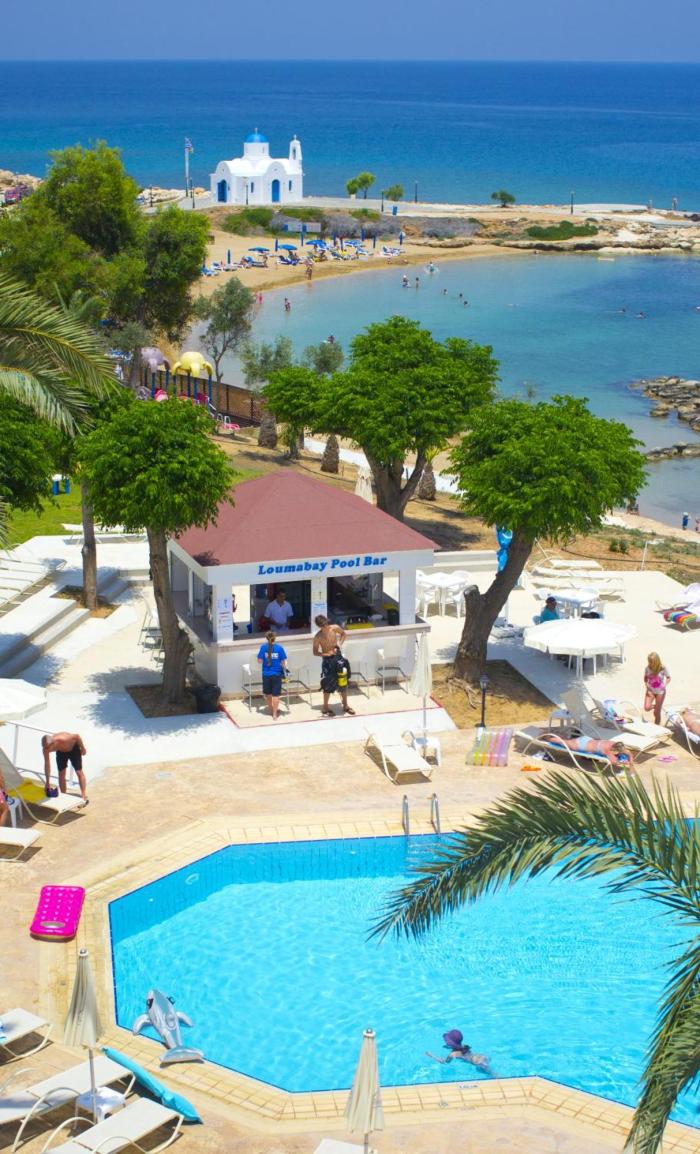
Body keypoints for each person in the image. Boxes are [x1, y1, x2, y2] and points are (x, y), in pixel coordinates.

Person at [312, 615, 355, 717]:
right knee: (328, 684)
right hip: (328, 661)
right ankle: (325, 707)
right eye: (323, 625)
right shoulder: (318, 637)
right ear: (320, 626)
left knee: (343, 681)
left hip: (338, 657)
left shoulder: (334, 628)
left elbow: (343, 634)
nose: (326, 626)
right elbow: (315, 652)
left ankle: (345, 705)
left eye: (326, 624)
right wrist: (326, 654)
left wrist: (339, 644)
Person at [539, 732, 634, 772]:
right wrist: (626, 763)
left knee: (567, 741)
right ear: (615, 749)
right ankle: (545, 737)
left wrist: (631, 763)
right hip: (581, 746)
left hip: (587, 739)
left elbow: (629, 753)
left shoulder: (614, 743)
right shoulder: (608, 750)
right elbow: (615, 762)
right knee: (561, 742)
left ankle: (553, 734)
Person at [42, 732, 88, 802]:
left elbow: (77, 736)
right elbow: (47, 764)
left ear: (53, 743)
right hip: (61, 752)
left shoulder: (63, 739)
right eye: (45, 747)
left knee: (79, 772)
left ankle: (83, 795)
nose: (46, 749)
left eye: (48, 747)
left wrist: (83, 748)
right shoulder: (45, 749)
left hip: (73, 749)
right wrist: (47, 782)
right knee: (61, 774)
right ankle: (63, 794)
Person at [426, 1030, 492, 1074]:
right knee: (492, 1073)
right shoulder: (464, 1046)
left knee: (493, 1076)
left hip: (478, 1063)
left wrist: (431, 1055)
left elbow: (444, 1062)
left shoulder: (452, 1054)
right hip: (480, 1057)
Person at [257, 630, 288, 720]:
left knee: (268, 694)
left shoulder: (263, 647)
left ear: (266, 638)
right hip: (276, 674)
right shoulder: (279, 648)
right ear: (275, 638)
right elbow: (283, 662)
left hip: (266, 674)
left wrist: (266, 658)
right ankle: (274, 714)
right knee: (276, 695)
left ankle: (271, 710)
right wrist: (285, 671)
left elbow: (259, 661)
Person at [643, 652, 671, 724]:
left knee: (656, 713)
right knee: (647, 708)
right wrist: (646, 684)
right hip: (651, 691)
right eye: (649, 661)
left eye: (651, 661)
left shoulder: (662, 668)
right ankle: (657, 707)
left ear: (656, 661)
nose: (649, 663)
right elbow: (645, 678)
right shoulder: (647, 668)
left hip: (660, 692)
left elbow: (668, 678)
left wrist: (665, 685)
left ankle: (657, 726)